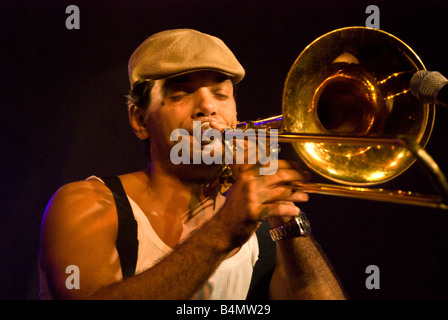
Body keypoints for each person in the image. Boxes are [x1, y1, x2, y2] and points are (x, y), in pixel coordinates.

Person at [39, 29, 346, 300]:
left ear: (236, 116)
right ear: (139, 119)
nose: (207, 108)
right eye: (181, 94)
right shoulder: (84, 203)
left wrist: (285, 216)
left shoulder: (262, 224)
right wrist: (226, 228)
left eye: (220, 94)